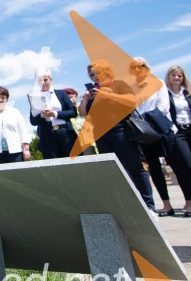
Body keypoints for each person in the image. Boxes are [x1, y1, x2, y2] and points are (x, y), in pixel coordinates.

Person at [78, 60, 154, 211]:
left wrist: (108, 95)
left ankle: (148, 205)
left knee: (134, 167)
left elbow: (132, 102)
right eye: (91, 74)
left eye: (97, 72)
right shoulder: (93, 91)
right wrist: (86, 99)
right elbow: (83, 114)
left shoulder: (118, 84)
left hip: (121, 130)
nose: (95, 76)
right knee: (115, 171)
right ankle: (126, 206)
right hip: (101, 134)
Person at [130, 57, 184, 216]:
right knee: (155, 170)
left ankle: (188, 202)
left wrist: (144, 121)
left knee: (178, 167)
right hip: (146, 135)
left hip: (162, 131)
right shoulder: (132, 88)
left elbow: (163, 107)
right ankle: (166, 205)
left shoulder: (158, 83)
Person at [28, 69, 77, 159]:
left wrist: (54, 114)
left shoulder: (61, 93)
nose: (43, 83)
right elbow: (33, 121)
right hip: (47, 135)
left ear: (51, 79)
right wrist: (42, 116)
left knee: (72, 162)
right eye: (39, 80)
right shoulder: (35, 98)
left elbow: (73, 112)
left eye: (45, 80)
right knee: (54, 166)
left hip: (65, 133)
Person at [0, 86, 32, 164]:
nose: (0, 100)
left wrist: (26, 149)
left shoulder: (15, 112)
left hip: (16, 151)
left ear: (7, 99)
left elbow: (23, 131)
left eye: (3, 98)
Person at [165, 65, 191, 216]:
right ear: (168, 77)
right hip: (178, 133)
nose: (176, 78)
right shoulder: (166, 95)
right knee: (186, 167)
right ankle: (189, 202)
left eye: (179, 75)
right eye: (173, 75)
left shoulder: (188, 93)